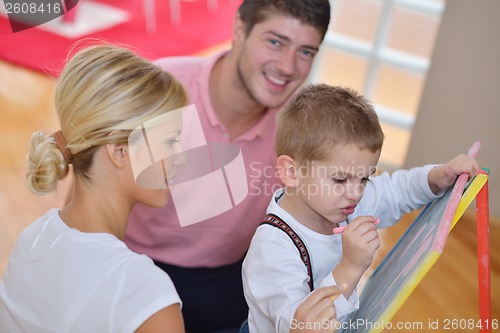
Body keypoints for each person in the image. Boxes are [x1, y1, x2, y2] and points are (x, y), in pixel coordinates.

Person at [125, 0, 331, 331]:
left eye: (306, 52)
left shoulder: (301, 123)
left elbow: (348, 194)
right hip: (132, 263)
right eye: (275, 41)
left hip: (226, 277)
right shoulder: (159, 87)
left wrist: (427, 181)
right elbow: (89, 196)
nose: (288, 67)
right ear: (239, 30)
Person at [241, 84, 480, 333]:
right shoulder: (273, 249)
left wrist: (437, 176)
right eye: (340, 179)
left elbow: (395, 190)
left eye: (365, 178)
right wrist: (350, 267)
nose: (356, 193)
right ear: (292, 172)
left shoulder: (343, 202)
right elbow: (301, 327)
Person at [0, 44, 189, 333]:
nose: (182, 156)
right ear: (119, 151)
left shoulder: (33, 238)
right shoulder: (144, 293)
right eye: (170, 141)